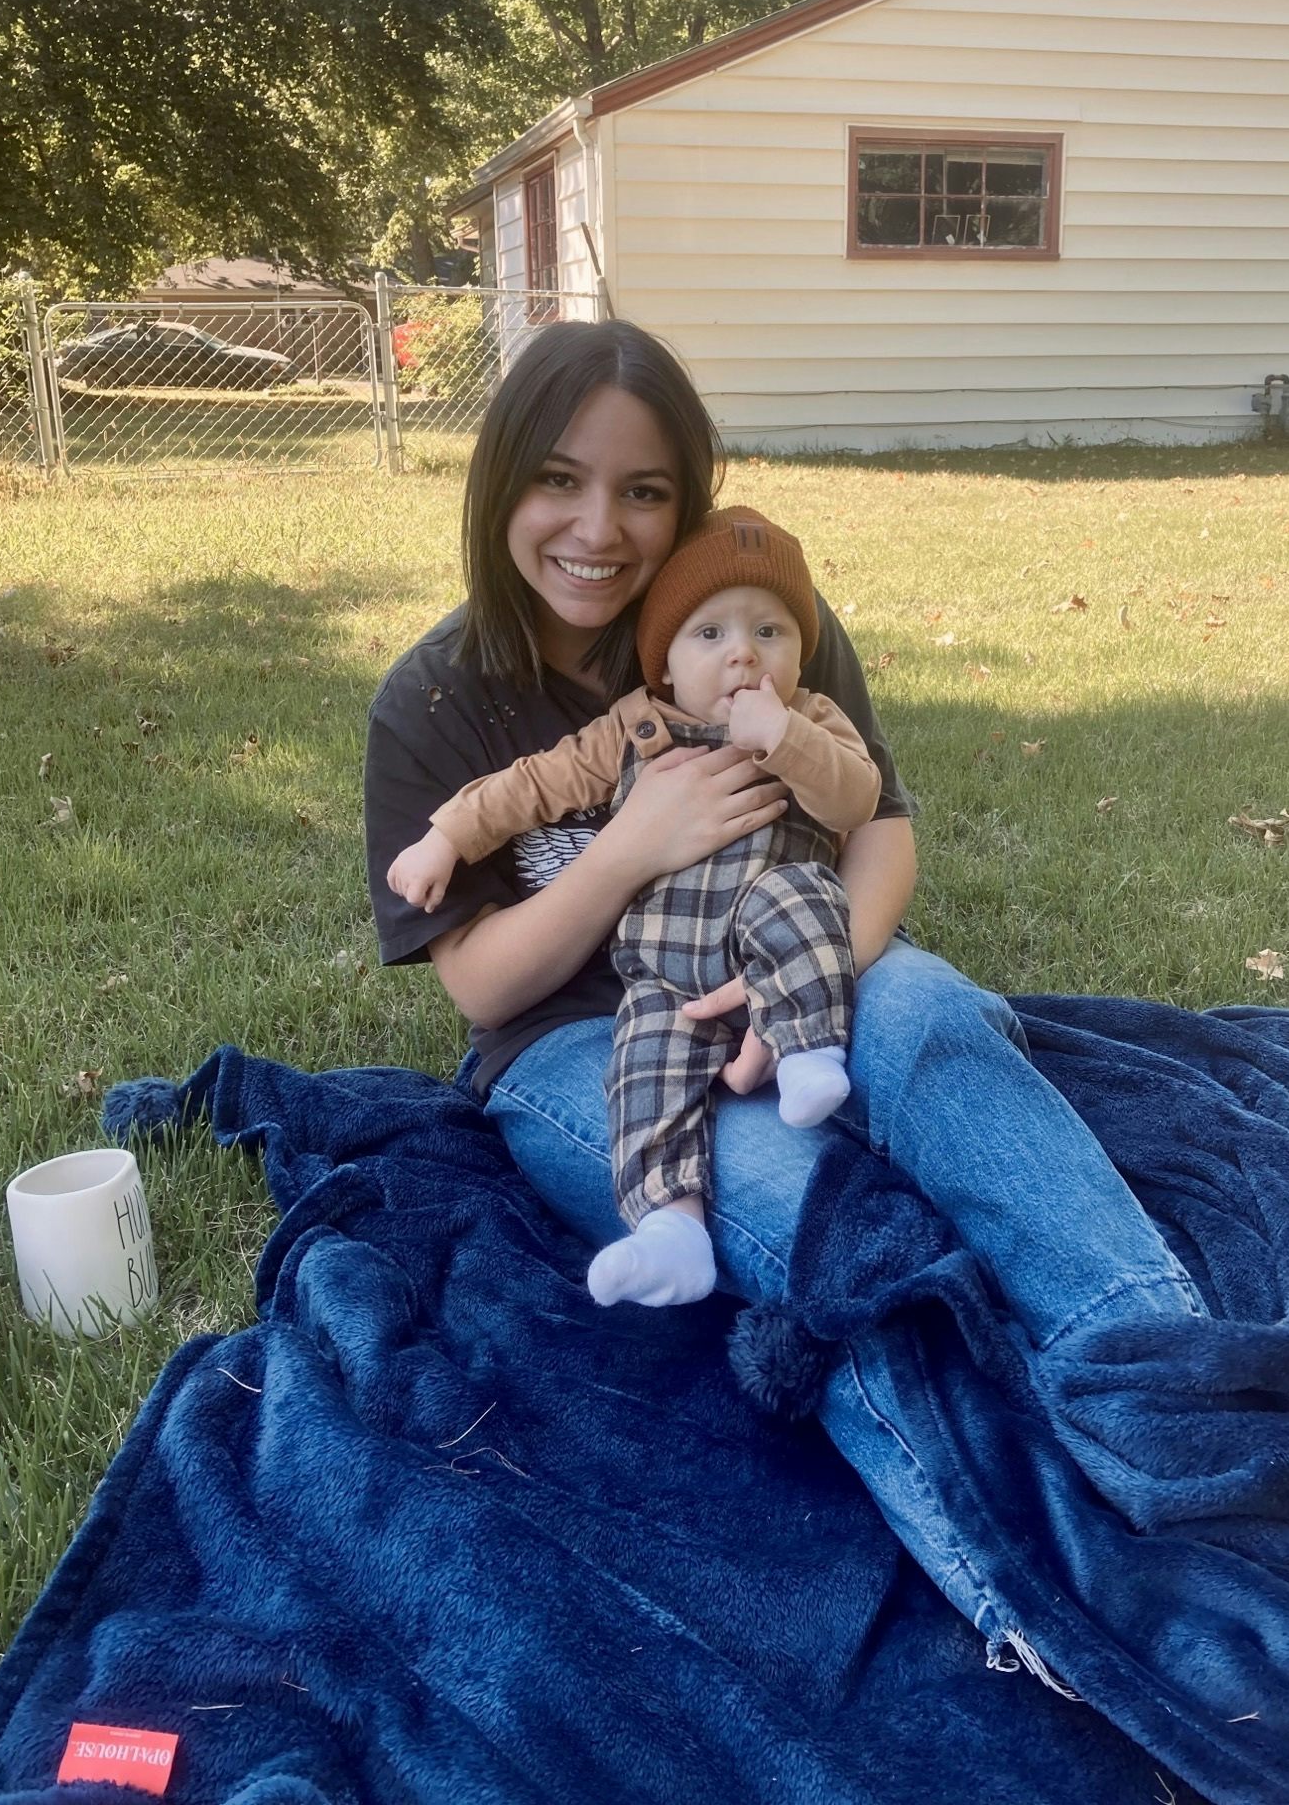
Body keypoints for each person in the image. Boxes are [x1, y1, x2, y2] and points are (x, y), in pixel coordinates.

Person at [364, 317, 1196, 1644]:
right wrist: (634, 844)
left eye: (644, 490)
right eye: (558, 479)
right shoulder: (435, 698)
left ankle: (1166, 1374)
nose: (598, 527)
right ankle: (1054, 1583)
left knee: (933, 1020)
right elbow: (484, 987)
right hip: (583, 1047)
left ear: (689, 497)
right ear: (499, 481)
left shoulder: (759, 617)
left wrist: (801, 980)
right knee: (810, 1210)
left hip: (798, 947)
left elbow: (881, 831)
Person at [385, 505, 882, 1309]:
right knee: (643, 1071)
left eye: (770, 632)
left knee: (800, 899)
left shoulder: (814, 722)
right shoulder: (635, 726)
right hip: (666, 976)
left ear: (801, 652)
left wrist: (784, 738)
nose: (743, 654)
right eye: (710, 634)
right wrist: (446, 836)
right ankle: (670, 1230)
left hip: (772, 942)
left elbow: (857, 799)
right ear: (666, 663)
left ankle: (808, 1057)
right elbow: (530, 786)